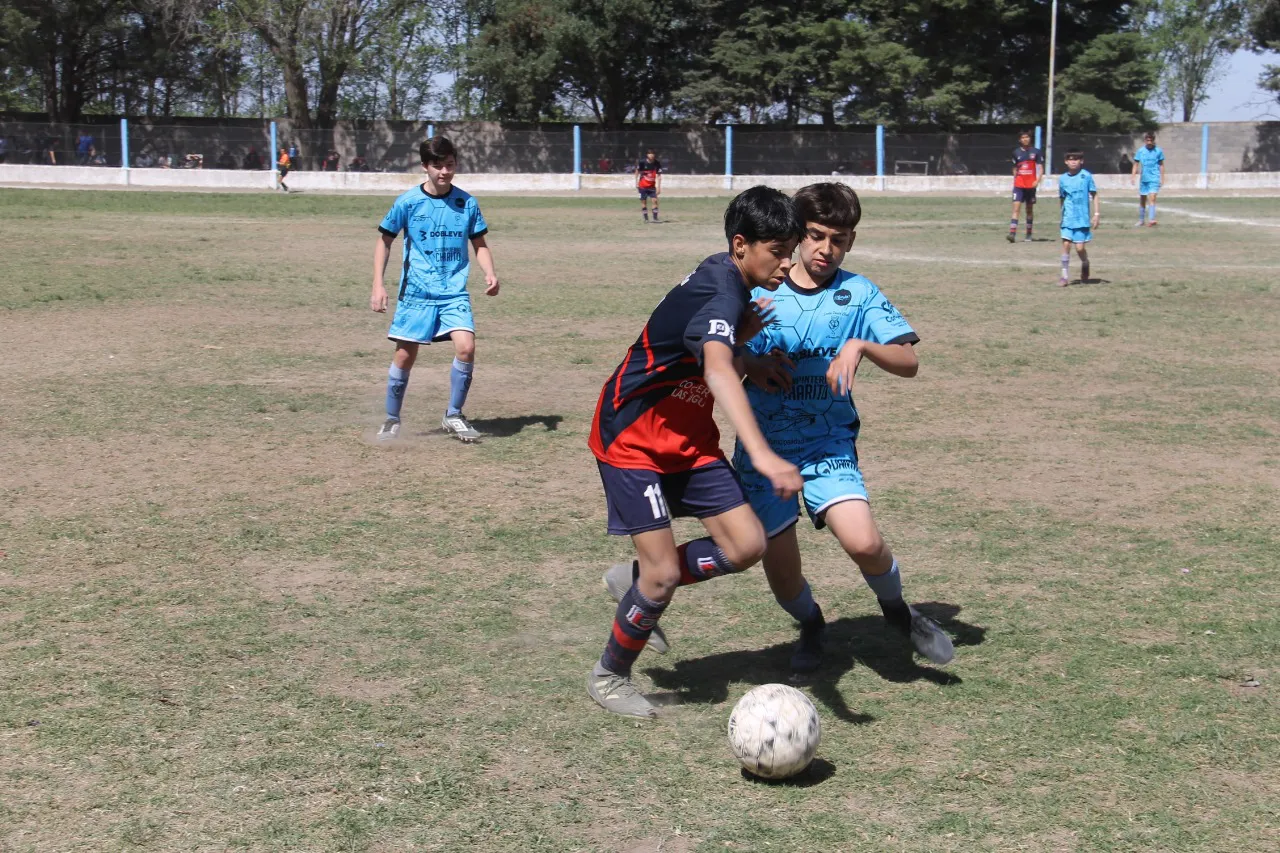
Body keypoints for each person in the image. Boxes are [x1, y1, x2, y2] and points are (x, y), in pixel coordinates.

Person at [717, 183, 953, 674]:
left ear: (851, 241)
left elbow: (908, 362)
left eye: (839, 240)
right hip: (766, 450)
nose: (826, 249)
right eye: (816, 236)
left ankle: (898, 611)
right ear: (796, 234)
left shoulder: (858, 293)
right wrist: (752, 364)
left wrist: (860, 346)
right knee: (784, 577)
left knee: (864, 542)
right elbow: (719, 360)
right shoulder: (760, 285)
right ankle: (812, 624)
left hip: (828, 443)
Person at [587, 186, 805, 719]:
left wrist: (750, 357)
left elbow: (708, 349)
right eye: (778, 251)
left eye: (791, 251)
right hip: (633, 439)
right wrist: (763, 455)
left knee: (746, 545)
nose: (787, 263)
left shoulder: (730, 285)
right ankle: (610, 675)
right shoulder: (721, 291)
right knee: (661, 575)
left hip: (687, 440)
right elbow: (715, 367)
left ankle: (633, 580)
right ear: (740, 245)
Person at [370, 136, 499, 443]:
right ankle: (392, 419)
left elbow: (479, 244)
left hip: (453, 292)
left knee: (466, 347)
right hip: (416, 292)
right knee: (404, 356)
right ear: (425, 166)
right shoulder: (408, 202)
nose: (444, 172)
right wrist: (378, 284)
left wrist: (490, 272)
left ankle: (454, 414)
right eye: (438, 166)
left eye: (450, 165)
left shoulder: (467, 203)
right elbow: (384, 241)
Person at [1059, 150, 1099, 287]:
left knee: (1080, 248)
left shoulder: (1086, 176)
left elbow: (1094, 195)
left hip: (1081, 218)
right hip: (1068, 218)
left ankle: (1085, 263)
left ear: (1081, 161)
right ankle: (1064, 276)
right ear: (1066, 162)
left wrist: (1096, 214)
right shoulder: (1063, 179)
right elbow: (1062, 198)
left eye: (1076, 159)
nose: (1073, 162)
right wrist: (1062, 215)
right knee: (1066, 244)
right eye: (1070, 159)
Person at [1007, 130, 1044, 243]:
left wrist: (1037, 181)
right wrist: (1016, 179)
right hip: (1019, 185)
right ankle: (1012, 233)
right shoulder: (1016, 152)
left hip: (1030, 186)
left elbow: (1040, 168)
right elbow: (1014, 168)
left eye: (1027, 137)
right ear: (1020, 140)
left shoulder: (1036, 152)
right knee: (1016, 209)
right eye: (1023, 137)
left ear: (1030, 138)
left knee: (1029, 210)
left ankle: (1028, 234)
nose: (1025, 139)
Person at [1132, 131, 1164, 227]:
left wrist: (1162, 177)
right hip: (1144, 178)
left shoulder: (1158, 151)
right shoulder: (1141, 151)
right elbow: (1136, 164)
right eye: (1147, 140)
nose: (1149, 142)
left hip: (1154, 177)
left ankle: (1151, 219)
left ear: (1153, 140)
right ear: (1145, 140)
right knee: (1143, 199)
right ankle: (1141, 220)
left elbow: (1161, 165)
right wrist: (1133, 176)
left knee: (1152, 197)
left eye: (1151, 140)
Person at [636, 149, 662, 222]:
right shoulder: (642, 162)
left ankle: (655, 218)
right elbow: (637, 172)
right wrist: (636, 182)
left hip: (652, 186)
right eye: (650, 154)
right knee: (644, 202)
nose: (651, 155)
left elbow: (659, 176)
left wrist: (659, 187)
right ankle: (646, 219)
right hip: (642, 186)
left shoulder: (657, 163)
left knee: (655, 201)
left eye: (653, 154)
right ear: (647, 155)